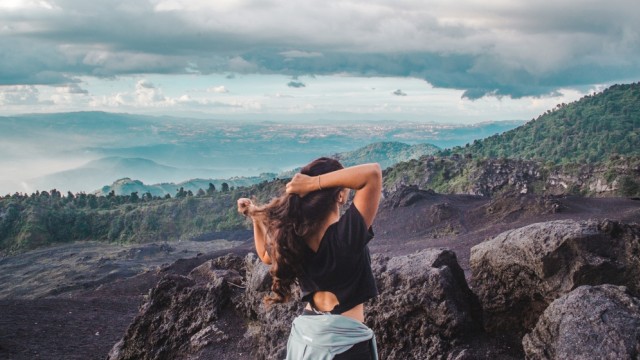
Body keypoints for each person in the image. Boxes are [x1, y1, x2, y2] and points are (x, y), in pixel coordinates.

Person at [237, 157, 382, 359]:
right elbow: (373, 174)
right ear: (340, 197)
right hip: (344, 346)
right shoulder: (347, 236)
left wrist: (254, 218)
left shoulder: (294, 239)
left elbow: (265, 256)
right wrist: (314, 183)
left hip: (304, 340)